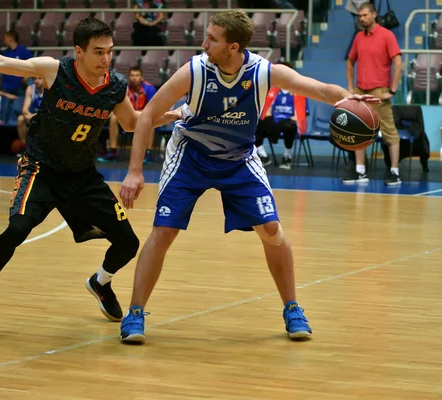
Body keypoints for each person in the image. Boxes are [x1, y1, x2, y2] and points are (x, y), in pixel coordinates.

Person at [117, 9, 379, 343]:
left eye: (212, 38)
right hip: (191, 155)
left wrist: (348, 98)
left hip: (238, 159)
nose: (204, 42)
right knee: (163, 231)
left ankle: (292, 307)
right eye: (206, 35)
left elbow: (320, 89)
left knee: (271, 230)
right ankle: (135, 313)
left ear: (234, 47)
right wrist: (134, 171)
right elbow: (148, 115)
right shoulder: (195, 71)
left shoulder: (262, 72)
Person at [0, 17, 180, 329]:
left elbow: (132, 123)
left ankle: (100, 282)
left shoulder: (115, 86)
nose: (105, 59)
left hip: (81, 175)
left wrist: (168, 116)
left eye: (109, 52)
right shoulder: (55, 70)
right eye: (98, 52)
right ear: (79, 51)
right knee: (17, 228)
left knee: (128, 243)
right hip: (41, 167)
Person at [345, 2, 402, 186]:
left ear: (374, 14)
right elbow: (350, 62)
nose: (361, 19)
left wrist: (392, 90)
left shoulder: (387, 35)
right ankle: (360, 171)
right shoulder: (358, 37)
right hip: (361, 91)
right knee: (359, 131)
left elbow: (398, 63)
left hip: (379, 90)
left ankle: (395, 172)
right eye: (359, 16)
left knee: (389, 132)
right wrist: (350, 88)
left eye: (364, 15)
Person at [255, 61, 309, 170]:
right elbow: (267, 110)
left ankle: (287, 156)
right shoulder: (272, 91)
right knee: (258, 124)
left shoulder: (298, 91)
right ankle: (263, 156)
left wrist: (283, 121)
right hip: (275, 121)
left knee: (289, 126)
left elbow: (300, 115)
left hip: (289, 121)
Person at [100, 66, 157, 162]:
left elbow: (152, 108)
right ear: (129, 77)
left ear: (141, 77)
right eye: (132, 75)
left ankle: (148, 152)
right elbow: (120, 106)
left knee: (150, 119)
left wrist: (138, 113)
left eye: (137, 75)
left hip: (144, 115)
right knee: (114, 118)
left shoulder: (150, 88)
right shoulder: (124, 88)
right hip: (129, 115)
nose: (134, 78)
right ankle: (113, 151)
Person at [0, 30, 33, 123]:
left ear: (11, 38)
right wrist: (0, 82)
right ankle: (3, 126)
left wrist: (26, 77)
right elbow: (2, 68)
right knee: (4, 108)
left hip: (19, 85)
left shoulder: (23, 51)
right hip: (6, 84)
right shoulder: (5, 52)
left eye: (6, 38)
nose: (4, 40)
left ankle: (16, 128)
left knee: (17, 109)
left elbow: (32, 64)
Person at [16, 76, 45, 147]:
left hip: (47, 114)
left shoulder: (48, 89)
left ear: (45, 80)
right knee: (20, 119)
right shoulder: (30, 88)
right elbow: (25, 108)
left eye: (39, 78)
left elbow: (48, 109)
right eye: (35, 79)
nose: (37, 81)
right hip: (35, 115)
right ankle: (25, 146)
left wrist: (32, 116)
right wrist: (26, 114)